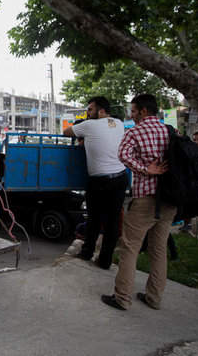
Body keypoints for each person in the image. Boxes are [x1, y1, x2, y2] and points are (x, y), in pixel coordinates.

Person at [102, 94, 174, 311]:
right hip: (170, 199)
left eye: (133, 111)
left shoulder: (135, 131)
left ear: (143, 111)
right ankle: (154, 298)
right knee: (159, 249)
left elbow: (123, 155)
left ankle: (122, 298)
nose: (131, 116)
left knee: (130, 248)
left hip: (145, 198)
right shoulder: (171, 131)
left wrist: (145, 169)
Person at [63, 96, 128, 269]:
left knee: (94, 219)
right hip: (120, 178)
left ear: (101, 110)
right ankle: (105, 261)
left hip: (100, 181)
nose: (88, 113)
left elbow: (66, 132)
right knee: (112, 222)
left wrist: (82, 131)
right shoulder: (118, 123)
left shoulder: (89, 125)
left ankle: (87, 253)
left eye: (90, 109)